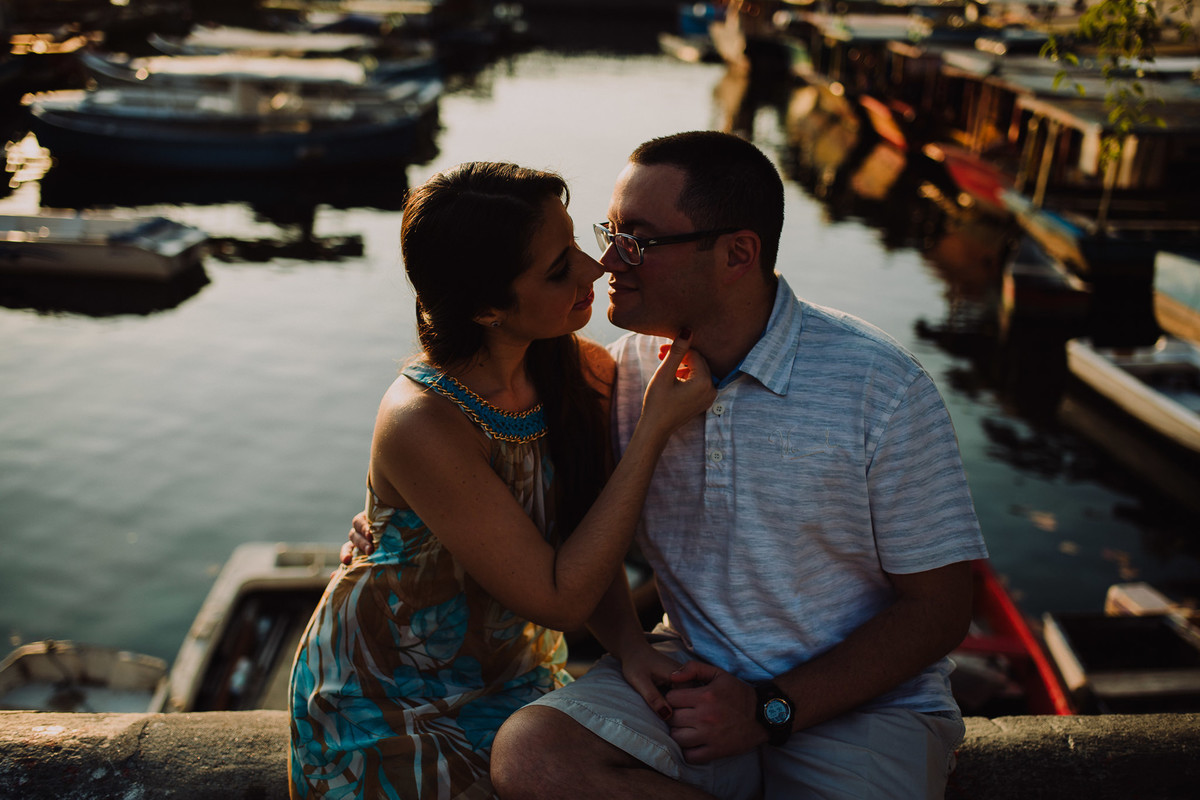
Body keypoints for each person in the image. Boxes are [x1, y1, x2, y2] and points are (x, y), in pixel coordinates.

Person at [484, 131, 991, 800]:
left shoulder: (878, 385)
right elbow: (577, 535)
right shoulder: (623, 372)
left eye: (638, 239)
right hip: (686, 682)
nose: (606, 261)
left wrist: (767, 711)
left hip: (865, 707)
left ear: (737, 253)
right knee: (532, 757)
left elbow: (943, 608)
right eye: (611, 231)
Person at [288, 161, 716, 800]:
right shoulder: (422, 419)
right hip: (384, 696)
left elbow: (583, 539)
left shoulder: (581, 373)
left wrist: (629, 646)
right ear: (487, 308)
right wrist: (652, 430)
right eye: (556, 269)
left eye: (574, 243)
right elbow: (560, 597)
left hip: (512, 681)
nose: (592, 269)